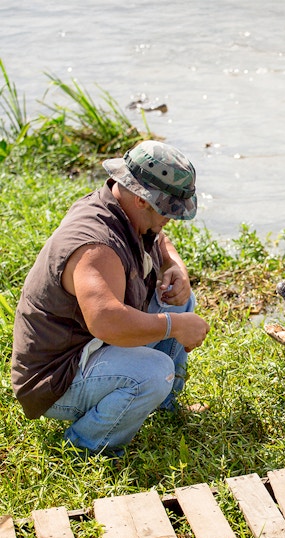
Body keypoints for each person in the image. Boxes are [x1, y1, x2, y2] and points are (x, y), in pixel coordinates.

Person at [11, 140, 210, 456]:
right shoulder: (96, 248)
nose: (170, 219)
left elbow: (157, 237)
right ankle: (85, 447)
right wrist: (174, 326)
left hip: (93, 347)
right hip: (58, 377)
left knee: (178, 300)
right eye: (168, 210)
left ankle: (165, 405)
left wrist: (174, 265)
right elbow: (107, 321)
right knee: (153, 372)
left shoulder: (126, 210)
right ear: (142, 199)